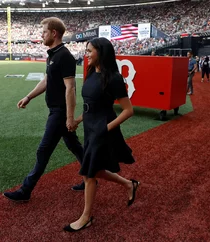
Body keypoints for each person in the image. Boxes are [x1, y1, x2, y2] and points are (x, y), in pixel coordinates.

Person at [3, 17, 84, 202]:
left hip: (60, 112)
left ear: (54, 33)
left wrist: (69, 117)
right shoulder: (53, 54)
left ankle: (25, 190)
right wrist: (28, 96)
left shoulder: (64, 56)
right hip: (56, 110)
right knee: (75, 146)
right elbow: (47, 80)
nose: (42, 35)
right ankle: (91, 177)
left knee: (43, 150)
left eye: (44, 32)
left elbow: (70, 88)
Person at [63, 37, 139, 232]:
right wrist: (79, 120)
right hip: (90, 127)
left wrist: (106, 128)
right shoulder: (91, 72)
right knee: (95, 170)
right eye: (86, 50)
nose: (86, 53)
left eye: (89, 50)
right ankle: (129, 184)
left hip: (102, 130)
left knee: (89, 174)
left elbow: (128, 111)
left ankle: (86, 217)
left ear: (101, 52)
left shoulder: (113, 78)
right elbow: (92, 105)